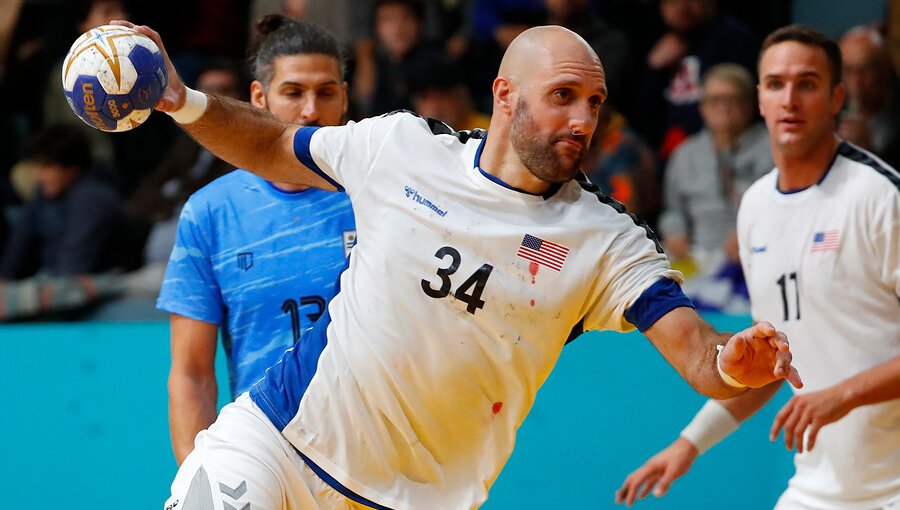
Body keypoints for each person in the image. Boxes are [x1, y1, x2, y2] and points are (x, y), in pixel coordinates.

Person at [117, 19, 802, 510]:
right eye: (563, 95)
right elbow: (270, 145)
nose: (582, 120)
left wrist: (729, 363)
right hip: (280, 437)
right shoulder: (401, 148)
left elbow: (699, 357)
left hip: (420, 497)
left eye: (593, 103)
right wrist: (182, 100)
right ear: (505, 96)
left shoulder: (604, 238)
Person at [617, 25, 900, 509]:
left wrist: (843, 394)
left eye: (806, 83)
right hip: (817, 489)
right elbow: (771, 364)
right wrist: (688, 445)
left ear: (836, 97)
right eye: (775, 84)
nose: (789, 98)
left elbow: (833, 391)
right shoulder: (755, 208)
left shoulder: (878, 196)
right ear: (760, 100)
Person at [156, 16, 357, 466]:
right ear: (258, 99)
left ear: (344, 96)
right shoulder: (210, 213)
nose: (310, 110)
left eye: (326, 92)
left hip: (376, 458)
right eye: (293, 92)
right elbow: (191, 374)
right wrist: (198, 477)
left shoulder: (381, 195)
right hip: (266, 459)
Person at [658, 63, 772, 312]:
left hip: (754, 259)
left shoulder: (773, 149)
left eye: (732, 99)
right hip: (696, 260)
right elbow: (672, 209)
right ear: (702, 106)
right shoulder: (685, 154)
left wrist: (750, 235)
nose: (723, 107)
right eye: (715, 100)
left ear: (751, 105)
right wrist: (675, 232)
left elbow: (781, 209)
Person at [0, 124, 122, 280]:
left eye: (47, 167)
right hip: (52, 277)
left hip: (96, 284)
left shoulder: (92, 196)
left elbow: (72, 267)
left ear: (72, 168)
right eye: (37, 166)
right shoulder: (45, 193)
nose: (39, 175)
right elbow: (19, 243)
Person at [837, 25, 900, 170]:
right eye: (848, 70)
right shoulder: (832, 109)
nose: (856, 82)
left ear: (885, 67)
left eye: (865, 69)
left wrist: (868, 150)